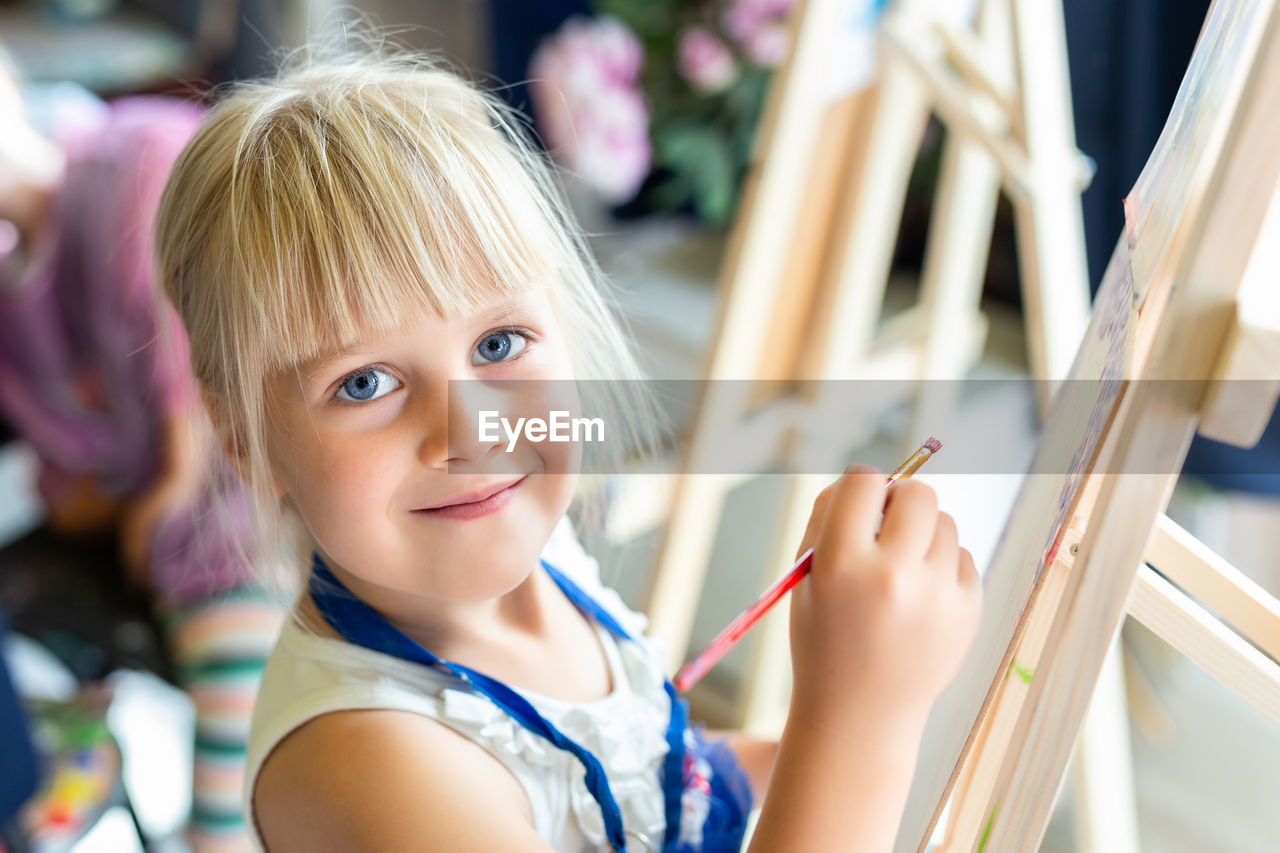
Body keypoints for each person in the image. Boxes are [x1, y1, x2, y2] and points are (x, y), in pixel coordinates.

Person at [153, 46, 983, 852]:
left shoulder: (530, 555)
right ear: (248, 442)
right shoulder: (373, 764)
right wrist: (861, 721)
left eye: (499, 344)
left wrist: (811, 751)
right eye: (365, 383)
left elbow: (652, 780)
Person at [0, 52, 285, 852]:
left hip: (253, 457)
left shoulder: (134, 155)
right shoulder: (14, 296)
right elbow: (67, 455)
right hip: (168, 516)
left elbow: (193, 331)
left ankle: (221, 827)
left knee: (239, 568)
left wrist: (168, 478)